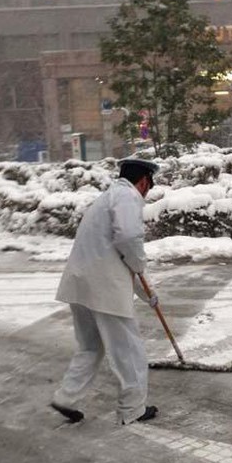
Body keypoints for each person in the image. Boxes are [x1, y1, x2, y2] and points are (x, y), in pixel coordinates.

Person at [51, 158, 160, 425]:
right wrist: (140, 264)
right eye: (148, 187)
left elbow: (116, 252)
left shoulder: (105, 200)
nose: (146, 193)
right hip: (104, 290)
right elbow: (128, 241)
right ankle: (132, 409)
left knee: (91, 347)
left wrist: (148, 295)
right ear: (144, 181)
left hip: (80, 285)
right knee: (129, 351)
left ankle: (66, 397)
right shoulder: (128, 196)